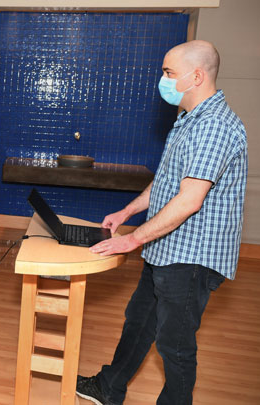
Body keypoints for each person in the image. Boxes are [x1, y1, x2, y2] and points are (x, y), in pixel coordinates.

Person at [76, 40, 247, 405]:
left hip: (191, 258)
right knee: (139, 322)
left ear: (196, 76)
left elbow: (189, 200)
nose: (163, 80)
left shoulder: (214, 127)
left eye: (169, 73)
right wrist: (127, 213)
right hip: (168, 249)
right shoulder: (189, 119)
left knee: (175, 345)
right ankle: (109, 388)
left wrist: (131, 240)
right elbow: (167, 182)